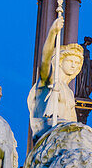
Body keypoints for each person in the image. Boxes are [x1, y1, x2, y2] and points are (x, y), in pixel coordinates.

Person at [27, 11, 83, 139]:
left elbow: (73, 121)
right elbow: (45, 59)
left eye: (77, 62)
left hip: (66, 138)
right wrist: (52, 32)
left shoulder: (68, 92)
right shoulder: (50, 81)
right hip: (50, 136)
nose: (73, 65)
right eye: (70, 61)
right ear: (60, 61)